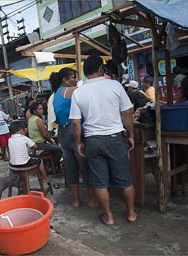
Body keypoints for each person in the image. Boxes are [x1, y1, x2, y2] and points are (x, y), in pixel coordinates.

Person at [70, 55, 137, 225]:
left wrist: (78, 143)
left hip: (93, 141)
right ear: (101, 68)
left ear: (85, 72)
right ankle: (131, 213)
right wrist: (130, 135)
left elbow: (76, 124)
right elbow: (127, 113)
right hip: (116, 138)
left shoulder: (78, 92)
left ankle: (109, 216)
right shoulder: (115, 85)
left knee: (100, 182)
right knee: (124, 179)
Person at [52, 67, 98, 209]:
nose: (76, 79)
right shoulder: (73, 91)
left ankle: (75, 201)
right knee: (85, 166)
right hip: (75, 131)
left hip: (62, 132)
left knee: (71, 167)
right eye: (73, 77)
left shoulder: (56, 93)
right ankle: (91, 200)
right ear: (65, 79)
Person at [28, 101, 63, 170]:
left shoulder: (31, 119)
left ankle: (49, 164)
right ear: (35, 111)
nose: (42, 110)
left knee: (53, 148)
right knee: (59, 149)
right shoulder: (38, 120)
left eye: (42, 109)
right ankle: (52, 166)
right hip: (39, 144)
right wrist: (52, 142)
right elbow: (45, 135)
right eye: (40, 109)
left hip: (33, 143)